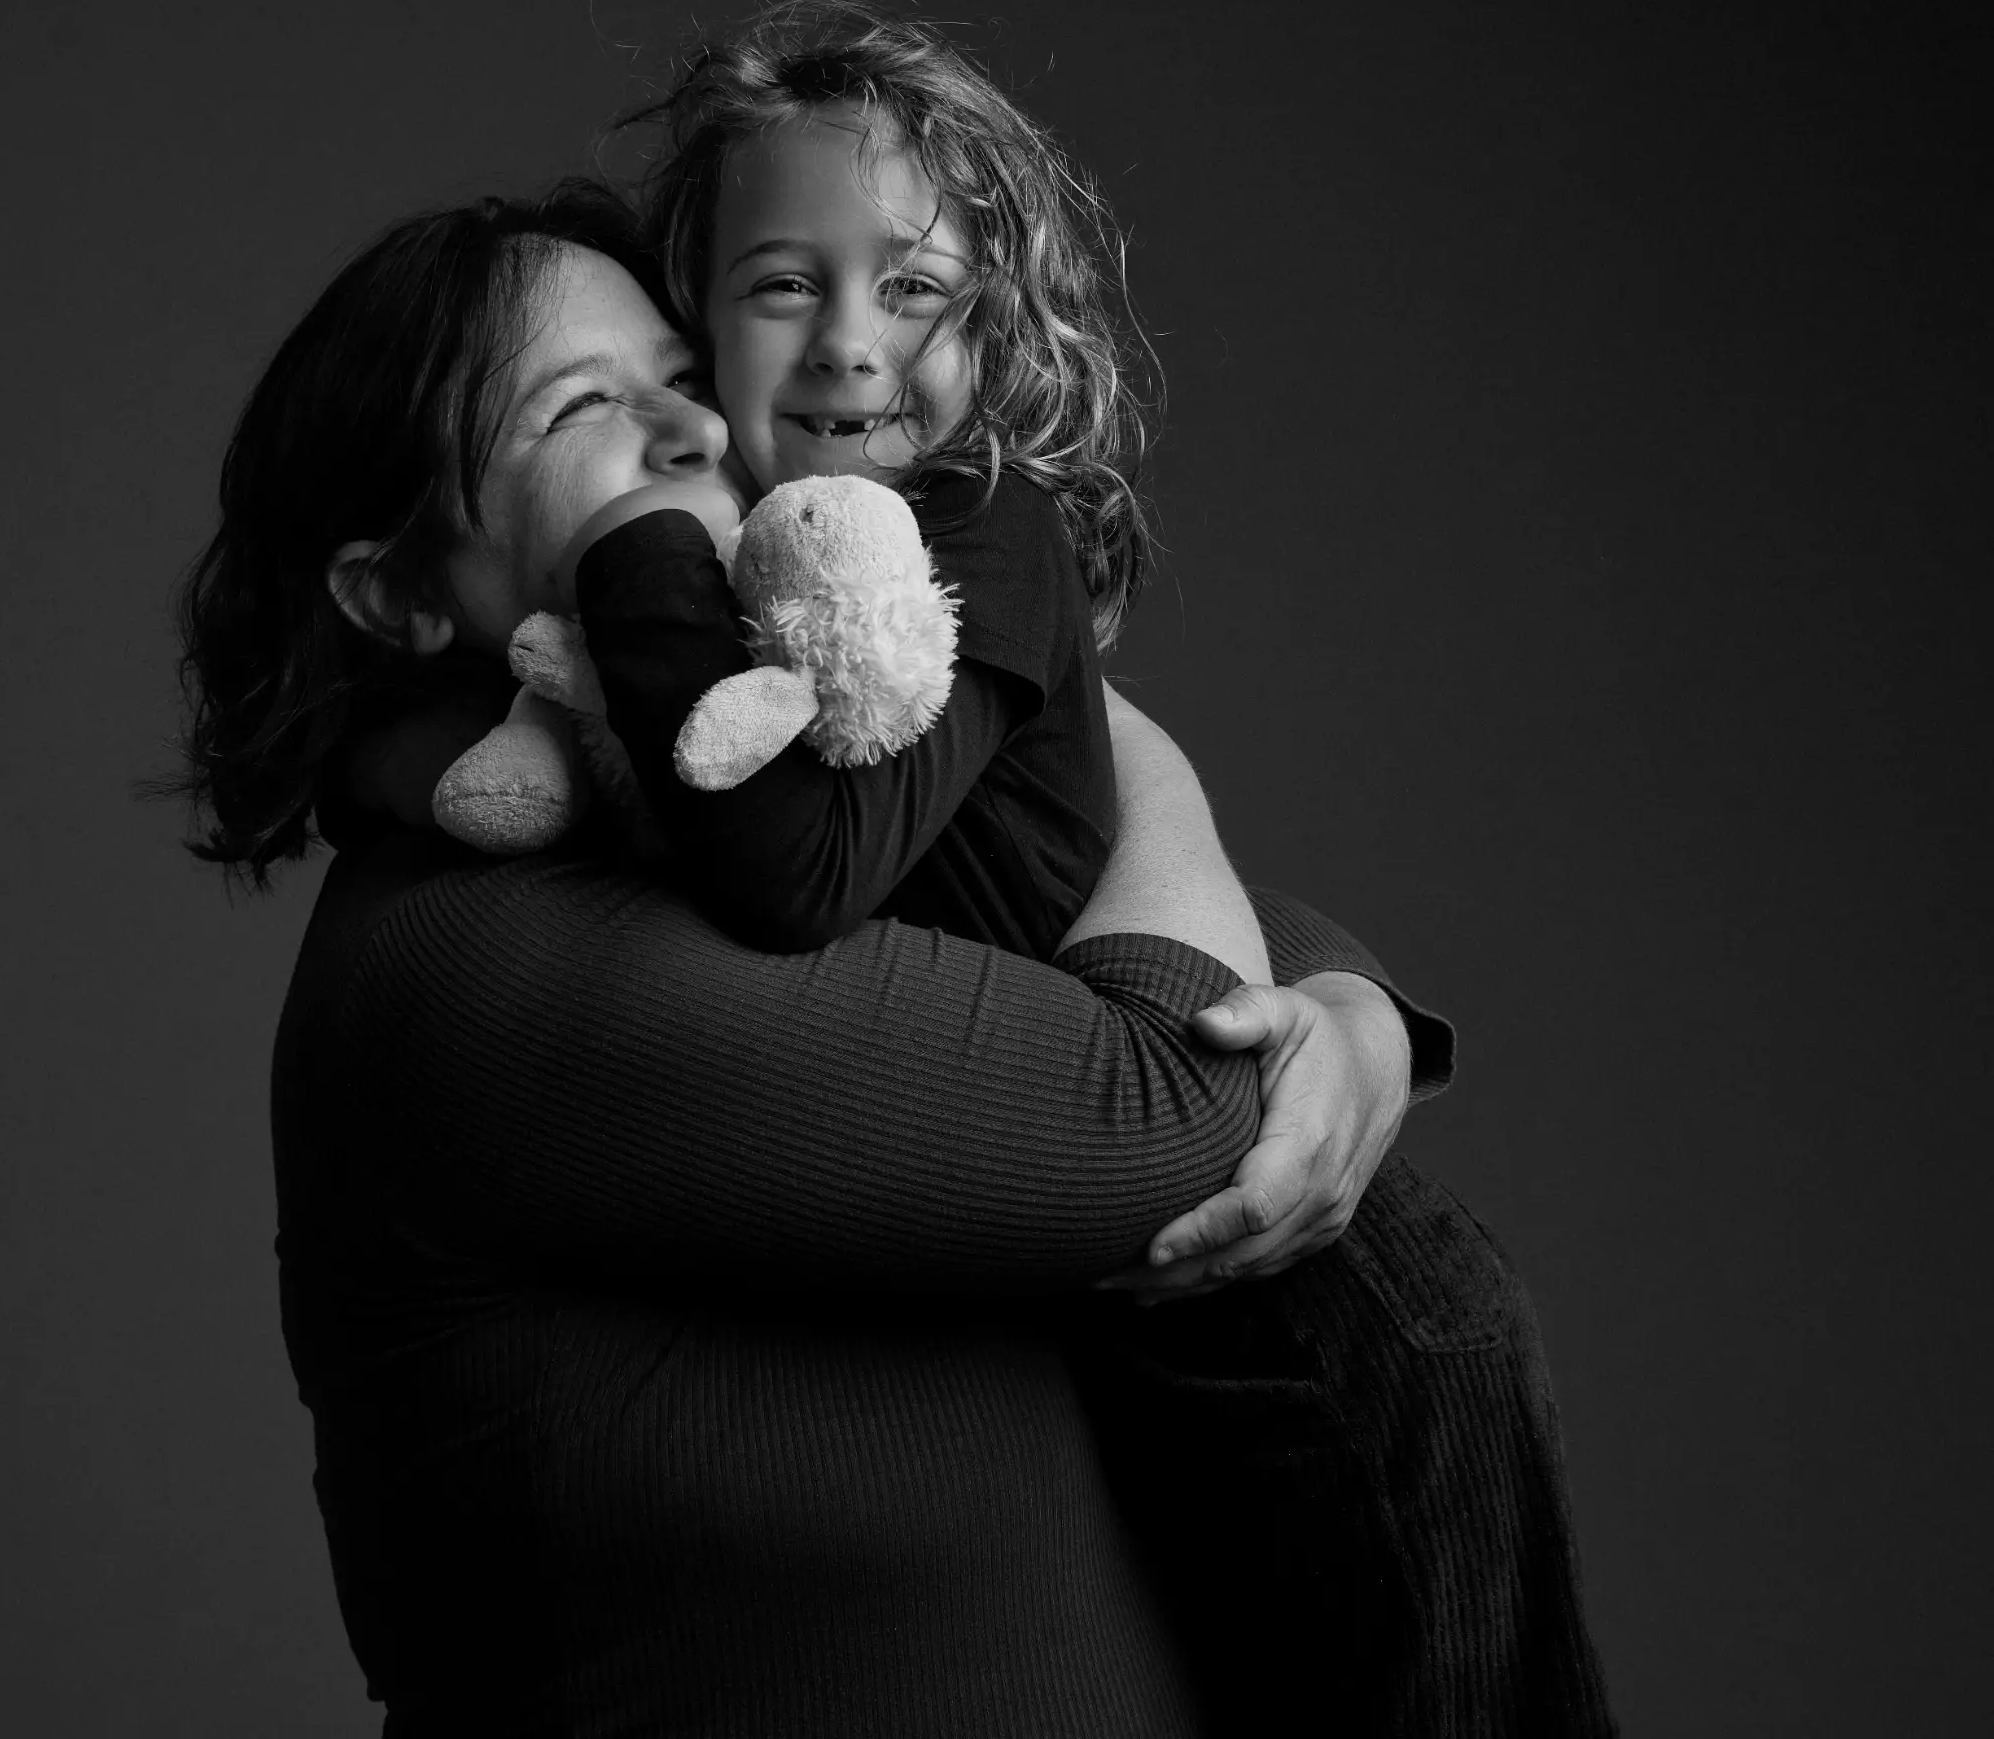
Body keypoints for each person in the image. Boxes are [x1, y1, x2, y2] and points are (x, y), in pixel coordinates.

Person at [171, 177, 1613, 1732]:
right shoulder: (474, 960)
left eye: (678, 371)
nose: (700, 434)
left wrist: (1345, 1008)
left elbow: (1040, 896)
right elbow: (1169, 1111)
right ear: (391, 592)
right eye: (579, 408)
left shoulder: (712, 828)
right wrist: (1103, 718)